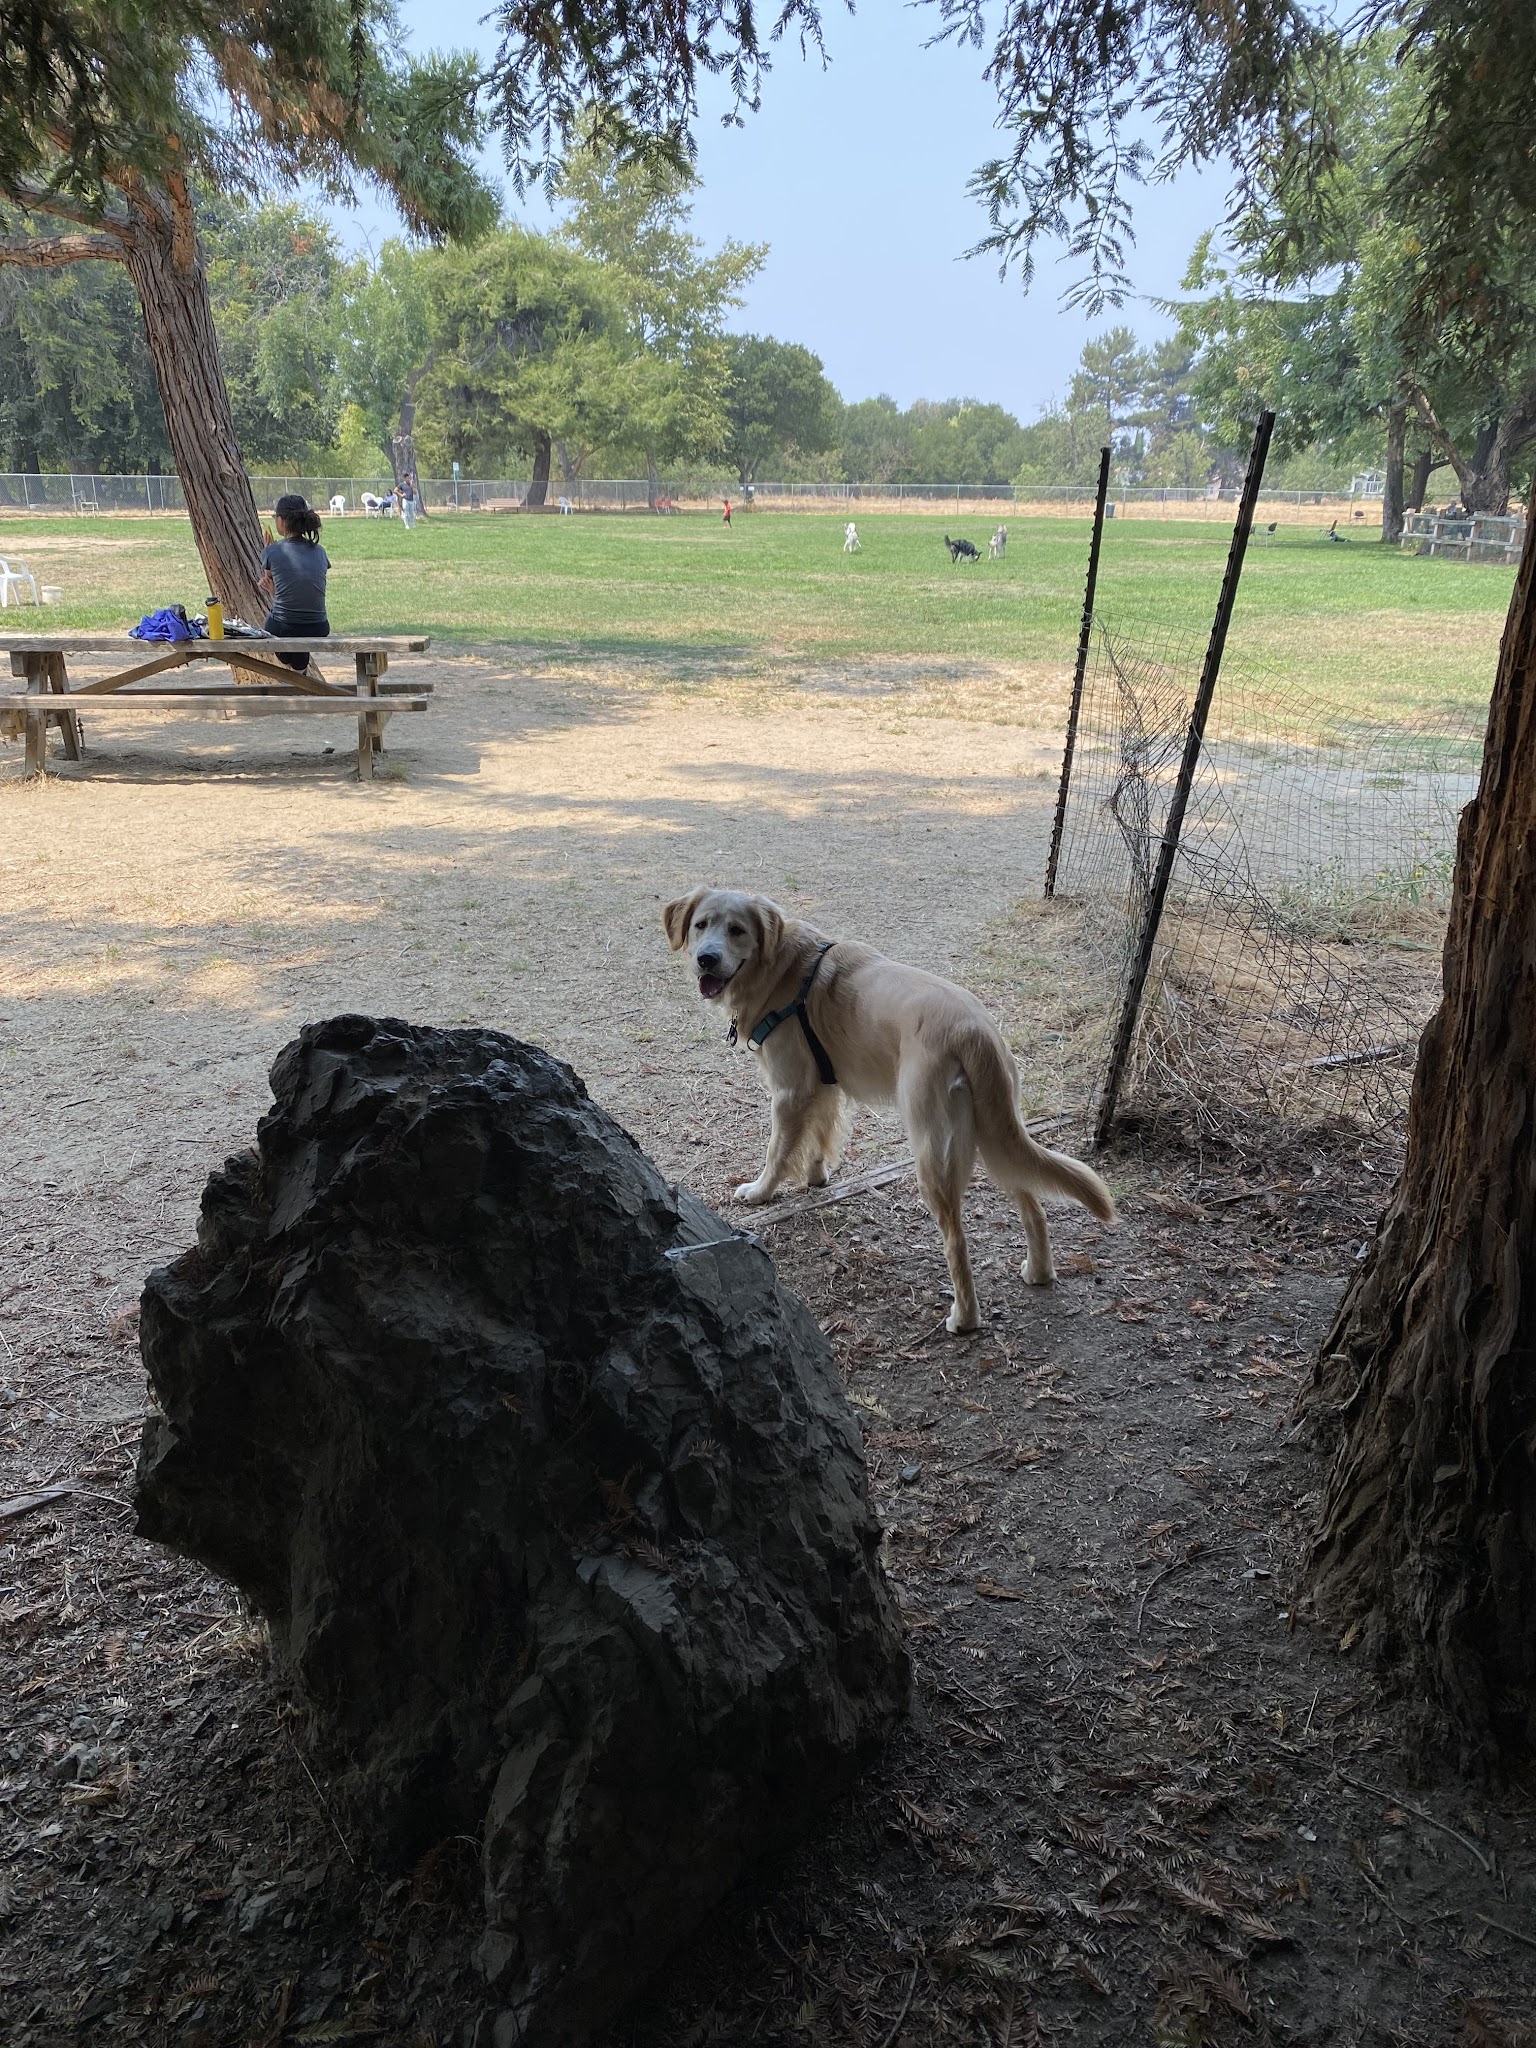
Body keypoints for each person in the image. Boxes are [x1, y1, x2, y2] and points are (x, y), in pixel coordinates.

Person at [259, 493, 329, 672]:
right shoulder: (319, 551)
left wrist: (269, 550)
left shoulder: (273, 551)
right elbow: (304, 585)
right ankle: (300, 673)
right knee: (299, 644)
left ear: (281, 521)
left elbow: (268, 576)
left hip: (283, 626)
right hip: (319, 626)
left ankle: (298, 675)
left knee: (280, 631)